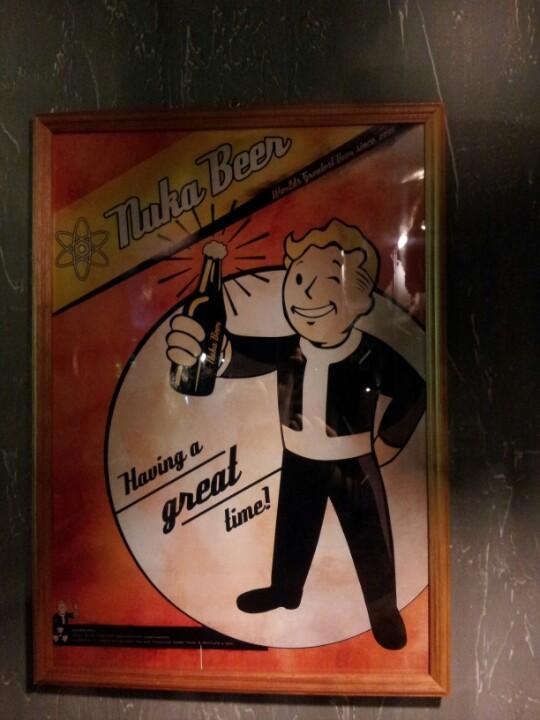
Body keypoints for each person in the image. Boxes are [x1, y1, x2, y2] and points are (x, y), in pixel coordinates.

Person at [166, 218, 425, 650]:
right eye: (299, 279)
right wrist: (207, 350)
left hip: (352, 461)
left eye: (326, 282)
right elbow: (238, 354)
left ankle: (383, 608)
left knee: (369, 535)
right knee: (293, 527)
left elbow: (414, 391)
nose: (305, 293)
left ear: (359, 299)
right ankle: (285, 590)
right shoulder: (288, 347)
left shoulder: (368, 354)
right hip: (299, 456)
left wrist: (387, 441)